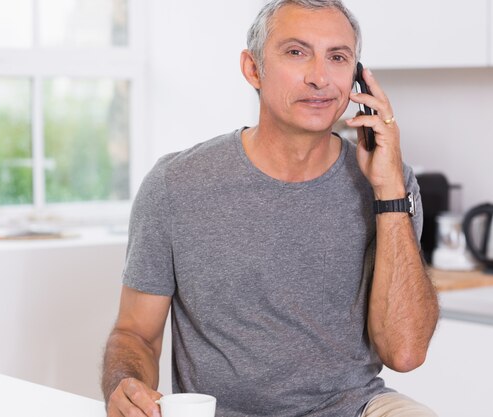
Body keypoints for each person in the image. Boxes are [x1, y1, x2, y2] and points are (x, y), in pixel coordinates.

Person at [101, 0, 440, 416]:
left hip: (355, 407)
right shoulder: (176, 184)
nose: (319, 78)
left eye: (337, 57)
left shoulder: (390, 180)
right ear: (253, 69)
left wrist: (388, 191)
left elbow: (404, 353)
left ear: (357, 78)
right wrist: (125, 385)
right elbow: (135, 331)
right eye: (297, 52)